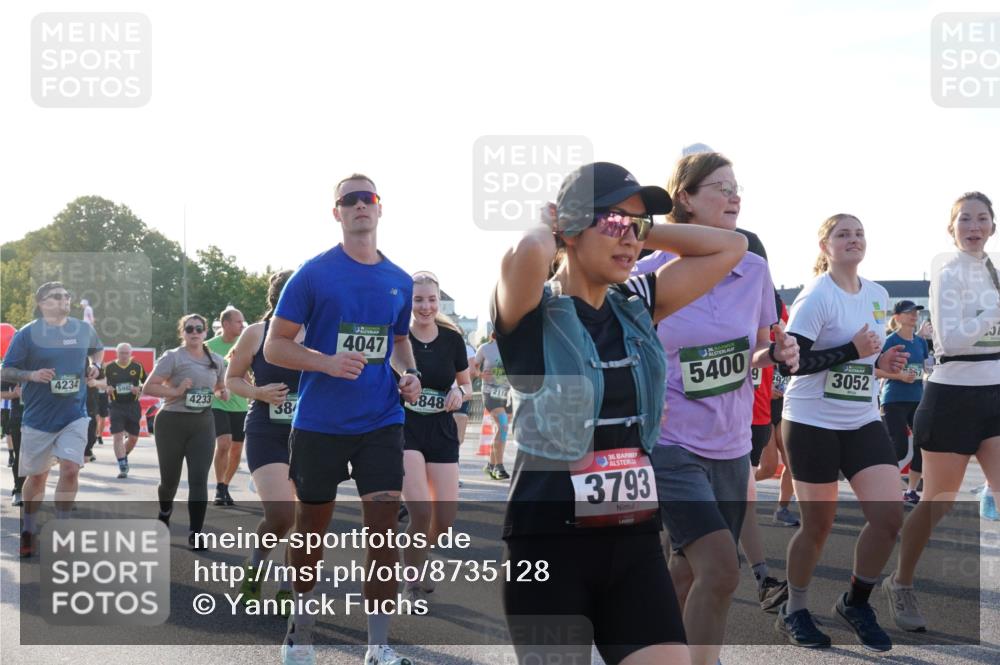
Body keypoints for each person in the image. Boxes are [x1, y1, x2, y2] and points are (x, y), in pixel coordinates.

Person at [497, 161, 748, 665]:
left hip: (633, 542)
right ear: (570, 227)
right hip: (546, 546)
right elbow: (528, 252)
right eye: (614, 222)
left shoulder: (636, 301)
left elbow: (730, 246)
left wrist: (638, 228)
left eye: (638, 226)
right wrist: (551, 224)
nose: (630, 239)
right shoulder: (530, 311)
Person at [634, 152, 798, 665]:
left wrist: (775, 353)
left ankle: (654, 649)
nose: (734, 197)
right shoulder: (647, 273)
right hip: (670, 442)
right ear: (684, 197)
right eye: (721, 188)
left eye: (736, 188)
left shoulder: (754, 270)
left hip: (729, 442)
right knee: (723, 569)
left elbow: (754, 349)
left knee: (688, 569)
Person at [264, 173, 420, 665]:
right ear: (337, 212)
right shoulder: (313, 275)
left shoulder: (399, 280)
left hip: (381, 420)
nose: (359, 205)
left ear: (380, 208)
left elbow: (399, 342)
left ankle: (378, 646)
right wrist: (326, 362)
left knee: (384, 530)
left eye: (367, 197)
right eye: (349, 200)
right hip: (320, 424)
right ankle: (301, 634)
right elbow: (275, 346)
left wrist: (410, 374)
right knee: (311, 530)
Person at [775, 214, 909, 652]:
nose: (853, 239)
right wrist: (853, 350)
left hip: (860, 418)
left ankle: (855, 602)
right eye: (842, 234)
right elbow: (793, 364)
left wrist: (879, 364)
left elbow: (865, 360)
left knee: (889, 518)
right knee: (818, 525)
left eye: (859, 233)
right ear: (825, 247)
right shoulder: (817, 296)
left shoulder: (878, 295)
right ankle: (794, 608)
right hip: (811, 421)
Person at [885, 191, 1000, 630]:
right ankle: (900, 581)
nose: (974, 226)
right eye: (964, 219)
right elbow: (950, 341)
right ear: (951, 229)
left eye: (982, 218)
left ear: (993, 226)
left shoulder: (993, 274)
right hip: (953, 397)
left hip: (995, 395)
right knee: (938, 502)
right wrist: (992, 313)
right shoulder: (948, 275)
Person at [1, 282, 102, 557]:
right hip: (38, 418)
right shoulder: (27, 334)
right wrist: (31, 375)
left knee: (70, 469)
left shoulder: (82, 329)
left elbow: (97, 349)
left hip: (74, 415)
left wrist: (95, 365)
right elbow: (6, 371)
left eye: (67, 296)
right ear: (42, 303)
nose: (64, 300)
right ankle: (28, 528)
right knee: (38, 477)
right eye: (57, 297)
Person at [397, 270, 472, 606]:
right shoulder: (397, 339)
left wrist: (459, 392)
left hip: (441, 431)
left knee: (444, 520)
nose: (425, 306)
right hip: (406, 430)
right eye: (418, 300)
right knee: (420, 512)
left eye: (431, 299)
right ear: (408, 302)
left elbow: (467, 384)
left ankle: (417, 555)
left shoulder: (452, 339)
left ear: (439, 301)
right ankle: (411, 584)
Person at [226, 270, 299, 613]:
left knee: (305, 519)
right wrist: (258, 392)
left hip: (312, 433)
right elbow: (232, 379)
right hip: (267, 431)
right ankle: (255, 565)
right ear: (279, 299)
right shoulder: (257, 332)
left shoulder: (322, 332)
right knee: (282, 514)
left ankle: (287, 587)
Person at [142, 314, 228, 550]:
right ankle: (164, 512)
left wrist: (223, 393)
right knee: (169, 481)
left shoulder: (216, 360)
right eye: (189, 329)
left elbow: (220, 386)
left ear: (206, 332)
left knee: (199, 479)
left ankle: (196, 533)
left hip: (203, 423)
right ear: (183, 332)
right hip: (172, 423)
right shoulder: (173, 357)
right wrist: (177, 390)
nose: (194, 332)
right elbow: (149, 387)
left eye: (199, 329)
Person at [876, 300, 929, 504]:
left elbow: (925, 367)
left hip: (917, 399)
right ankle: (881, 485)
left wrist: (929, 371)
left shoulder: (921, 342)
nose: (914, 315)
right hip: (894, 399)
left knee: (922, 445)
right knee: (899, 447)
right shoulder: (889, 341)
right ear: (897, 317)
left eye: (916, 312)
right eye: (909, 312)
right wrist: (899, 376)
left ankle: (911, 491)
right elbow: (874, 370)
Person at [207, 307, 248, 506]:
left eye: (242, 322)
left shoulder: (246, 344)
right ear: (226, 324)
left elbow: (250, 375)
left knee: (237, 450)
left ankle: (225, 486)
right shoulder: (208, 347)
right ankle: (218, 486)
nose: (242, 325)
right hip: (218, 402)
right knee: (224, 443)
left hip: (240, 404)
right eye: (238, 322)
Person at [104, 342, 147, 478]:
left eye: (126, 353)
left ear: (131, 353)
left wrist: (139, 389)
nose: (124, 355)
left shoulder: (137, 367)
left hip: (133, 405)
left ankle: (123, 454)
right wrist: (107, 388)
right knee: (117, 436)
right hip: (116, 405)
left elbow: (147, 383)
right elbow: (102, 383)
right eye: (121, 353)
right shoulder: (109, 367)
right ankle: (122, 465)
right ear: (117, 353)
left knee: (133, 438)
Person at [476, 333, 511, 479]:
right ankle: (499, 467)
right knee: (503, 426)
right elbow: (473, 368)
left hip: (509, 394)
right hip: (491, 393)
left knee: (501, 430)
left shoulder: (516, 346)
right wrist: (481, 375)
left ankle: (491, 464)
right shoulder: (485, 348)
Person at [1, 382, 25, 506]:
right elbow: (1, 393)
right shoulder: (13, 371)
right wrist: (14, 394)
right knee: (20, 456)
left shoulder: (47, 369)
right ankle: (18, 490)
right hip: (19, 418)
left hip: (43, 417)